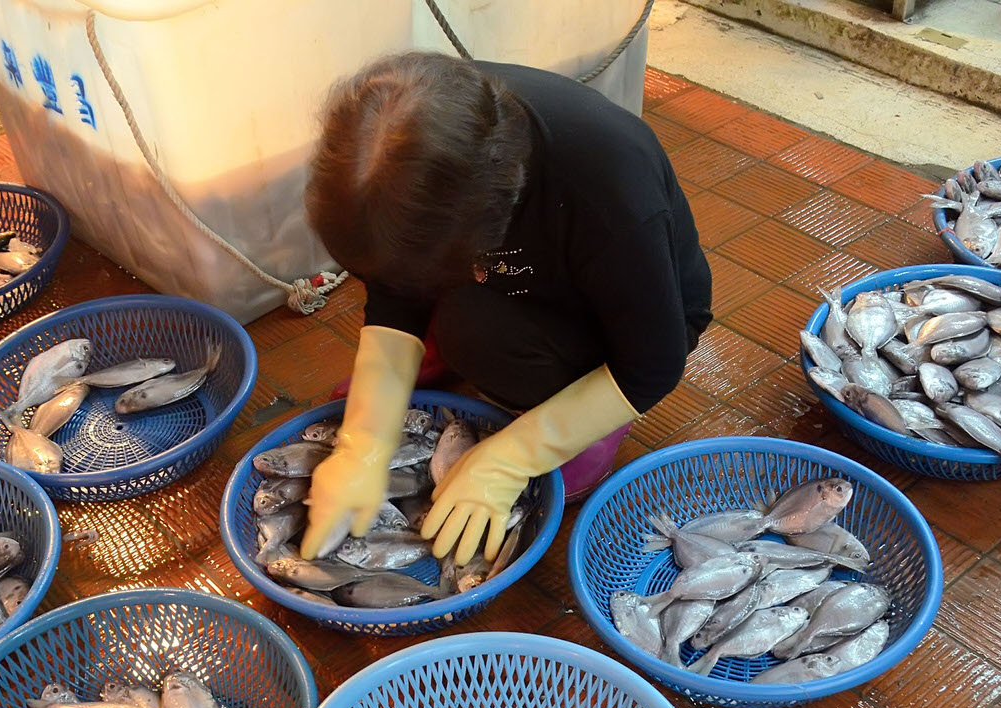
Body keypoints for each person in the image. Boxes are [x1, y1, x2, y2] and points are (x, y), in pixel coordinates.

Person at [299, 52, 713, 565]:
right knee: (443, 321)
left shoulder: (608, 190)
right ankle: (430, 345)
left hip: (624, 323)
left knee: (477, 338)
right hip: (501, 269)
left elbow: (654, 364)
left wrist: (510, 459)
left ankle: (585, 412)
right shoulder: (426, 136)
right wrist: (364, 438)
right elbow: (393, 282)